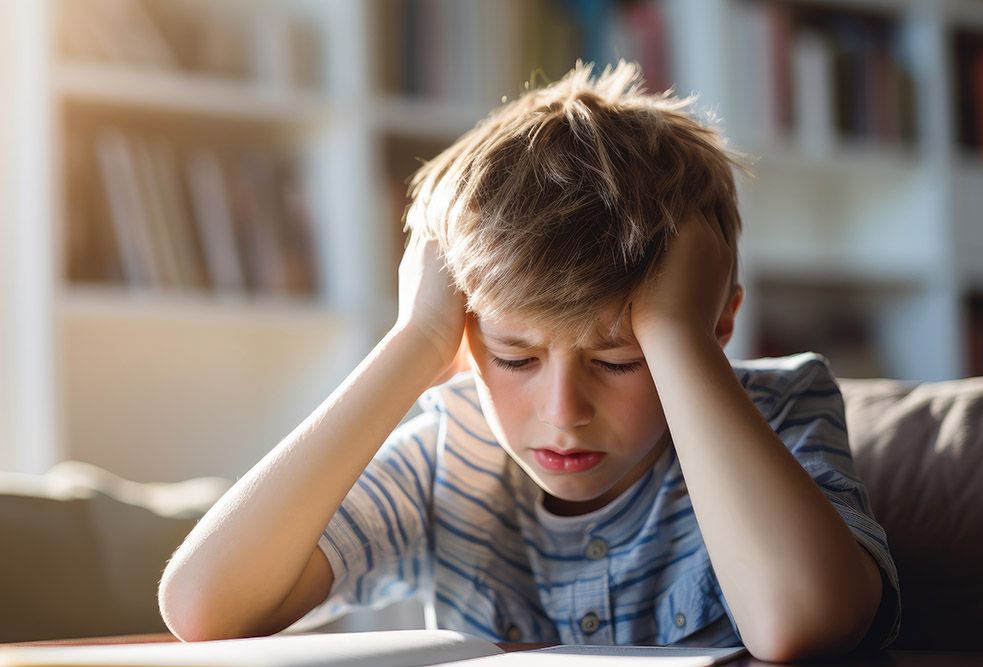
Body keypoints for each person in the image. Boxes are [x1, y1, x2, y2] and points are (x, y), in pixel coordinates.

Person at [158, 61, 901, 662]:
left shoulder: (784, 409)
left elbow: (802, 623)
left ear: (720, 323)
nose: (562, 411)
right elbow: (202, 604)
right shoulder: (450, 456)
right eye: (514, 358)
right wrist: (416, 340)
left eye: (618, 360)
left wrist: (677, 334)